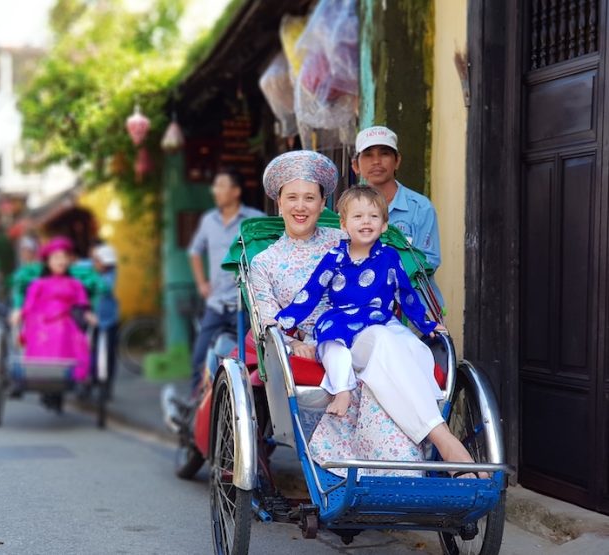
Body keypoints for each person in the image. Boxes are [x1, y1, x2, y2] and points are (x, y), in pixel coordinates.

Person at [251, 150, 478, 477]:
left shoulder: (345, 236)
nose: (301, 206)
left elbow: (399, 283)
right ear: (280, 203)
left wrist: (426, 322)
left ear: (323, 204)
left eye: (310, 198)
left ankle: (425, 447)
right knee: (386, 343)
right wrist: (297, 340)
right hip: (323, 343)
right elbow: (275, 319)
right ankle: (442, 439)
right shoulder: (265, 262)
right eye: (293, 198)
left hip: (372, 332)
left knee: (394, 342)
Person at [275, 186, 445, 417]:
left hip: (380, 319)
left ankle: (430, 396)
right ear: (344, 225)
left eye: (373, 216)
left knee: (415, 347)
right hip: (340, 319)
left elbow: (405, 294)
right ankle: (342, 390)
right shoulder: (334, 257)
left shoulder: (389, 257)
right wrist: (283, 321)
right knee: (332, 346)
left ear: (384, 225)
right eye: (358, 216)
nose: (366, 222)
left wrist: (426, 324)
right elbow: (311, 293)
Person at [188, 168, 264, 392]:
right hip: (216, 304)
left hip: (245, 305)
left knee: (251, 360)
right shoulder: (208, 220)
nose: (216, 191)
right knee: (200, 357)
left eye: (221, 185)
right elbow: (195, 251)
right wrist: (202, 283)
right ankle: (194, 406)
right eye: (216, 186)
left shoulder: (253, 220)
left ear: (236, 191)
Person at [351, 126, 444, 306]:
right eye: (368, 154)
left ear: (397, 161)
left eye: (384, 153)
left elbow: (429, 262)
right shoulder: (348, 209)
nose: (376, 161)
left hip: (416, 312)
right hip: (363, 308)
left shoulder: (419, 207)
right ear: (356, 165)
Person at [20, 236, 96, 383]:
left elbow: (82, 304)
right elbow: (28, 306)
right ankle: (43, 373)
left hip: (66, 321)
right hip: (40, 322)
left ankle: (66, 374)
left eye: (64, 257)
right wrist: (19, 314)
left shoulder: (75, 284)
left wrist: (88, 314)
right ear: (48, 261)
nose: (61, 261)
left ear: (68, 260)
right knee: (47, 331)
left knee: (63, 331)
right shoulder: (38, 284)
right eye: (56, 258)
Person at [90, 243, 119, 395]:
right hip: (92, 320)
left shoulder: (110, 275)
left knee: (108, 354)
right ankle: (91, 381)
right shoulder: (91, 270)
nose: (97, 264)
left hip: (109, 321)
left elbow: (105, 287)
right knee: (91, 351)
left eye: (100, 261)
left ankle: (106, 386)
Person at [9, 236, 43, 326]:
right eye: (22, 250)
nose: (24, 253)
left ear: (33, 252)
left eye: (27, 250)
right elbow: (18, 291)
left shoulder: (40, 268)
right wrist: (17, 308)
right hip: (25, 308)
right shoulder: (21, 270)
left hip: (39, 307)